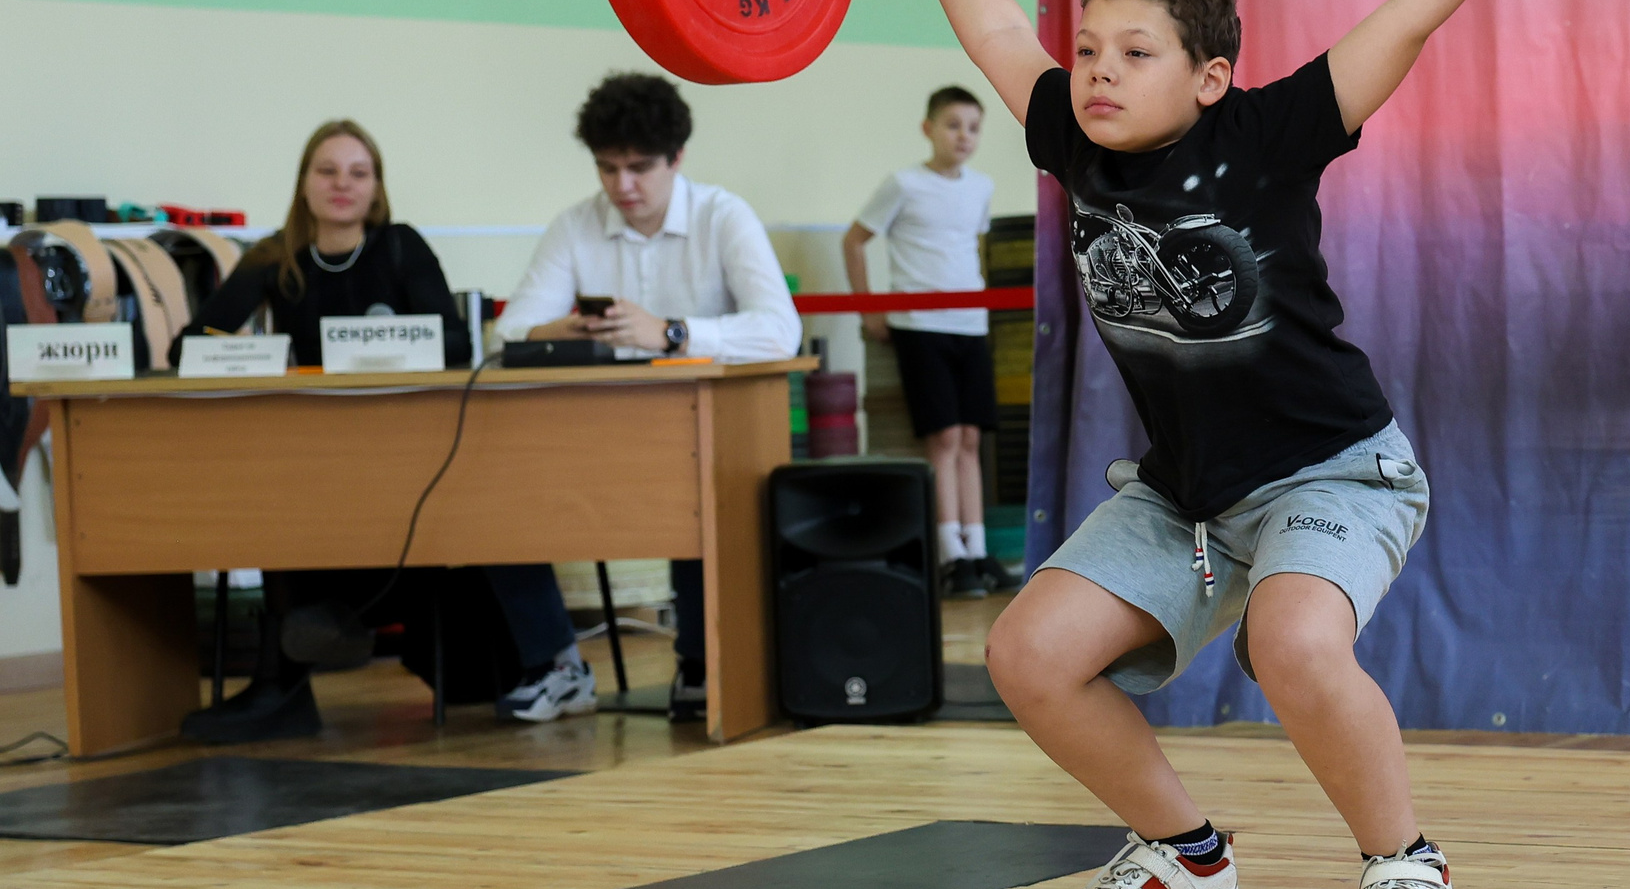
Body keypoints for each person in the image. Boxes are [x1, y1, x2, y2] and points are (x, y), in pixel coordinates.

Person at [896, 0, 1567, 889]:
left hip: (1335, 472)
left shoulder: (1267, 134)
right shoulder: (1068, 134)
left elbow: (1411, 16)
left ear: (1209, 77)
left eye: (1134, 55)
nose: (1098, 74)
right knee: (1028, 655)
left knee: (1296, 647)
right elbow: (1000, 34)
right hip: (1188, 496)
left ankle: (1404, 864)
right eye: (1091, 51)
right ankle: (1183, 855)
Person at [179, 120, 595, 743]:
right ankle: (282, 685)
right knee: (269, 500)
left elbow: (456, 342)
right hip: (311, 448)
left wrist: (377, 344)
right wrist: (265, 360)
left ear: (376, 188)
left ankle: (323, 645)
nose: (342, 185)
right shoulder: (273, 257)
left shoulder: (399, 247)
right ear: (304, 183)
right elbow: (193, 345)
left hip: (408, 447)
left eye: (358, 173)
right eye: (328, 171)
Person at [495, 72, 801, 718]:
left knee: (701, 488)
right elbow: (510, 330)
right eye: (607, 168)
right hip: (591, 430)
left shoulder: (724, 215)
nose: (622, 186)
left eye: (638, 168)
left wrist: (672, 332)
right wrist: (567, 328)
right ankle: (557, 662)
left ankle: (698, 658)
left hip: (699, 431)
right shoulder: (576, 224)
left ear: (677, 158)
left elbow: (781, 328)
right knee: (496, 493)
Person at [843, 85, 1009, 599]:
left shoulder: (981, 187)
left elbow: (965, 247)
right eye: (953, 125)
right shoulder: (903, 184)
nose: (963, 136)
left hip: (970, 324)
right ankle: (949, 553)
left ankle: (978, 549)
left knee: (971, 440)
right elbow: (854, 240)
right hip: (921, 324)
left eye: (973, 127)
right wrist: (870, 308)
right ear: (928, 129)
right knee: (941, 438)